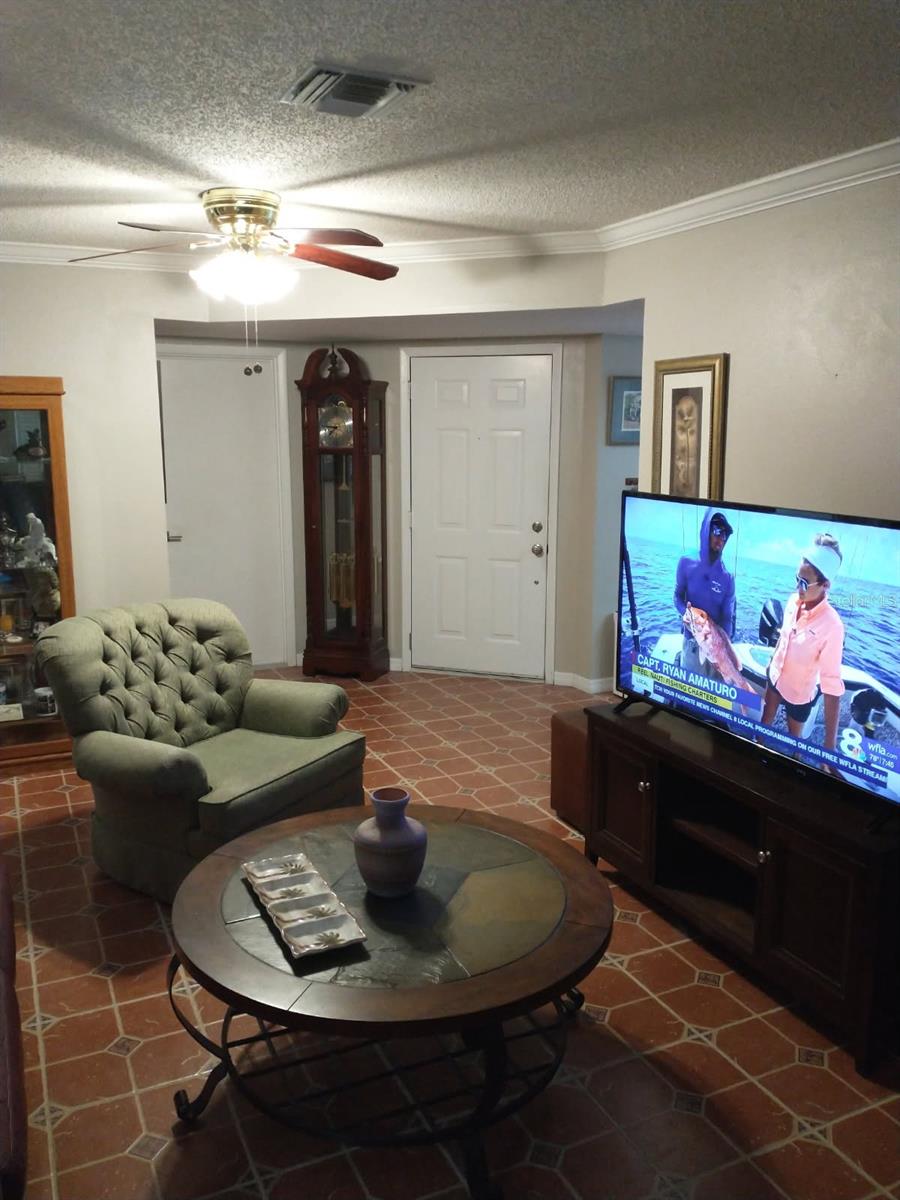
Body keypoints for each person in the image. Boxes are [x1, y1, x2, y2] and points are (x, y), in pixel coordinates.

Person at [760, 534, 845, 754]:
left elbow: (831, 685)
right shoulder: (792, 601)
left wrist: (829, 745)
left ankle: (796, 763)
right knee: (763, 724)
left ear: (825, 584)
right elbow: (783, 639)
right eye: (797, 579)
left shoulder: (833, 625)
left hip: (799, 695)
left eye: (805, 583)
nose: (798, 587)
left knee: (795, 742)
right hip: (775, 677)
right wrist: (772, 664)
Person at [674, 509, 736, 679]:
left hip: (716, 647)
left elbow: (727, 618)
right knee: (689, 689)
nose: (721, 538)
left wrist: (723, 652)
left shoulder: (728, 578)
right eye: (717, 531)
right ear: (706, 531)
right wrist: (685, 612)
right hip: (692, 642)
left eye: (725, 534)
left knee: (714, 692)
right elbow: (677, 596)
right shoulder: (686, 562)